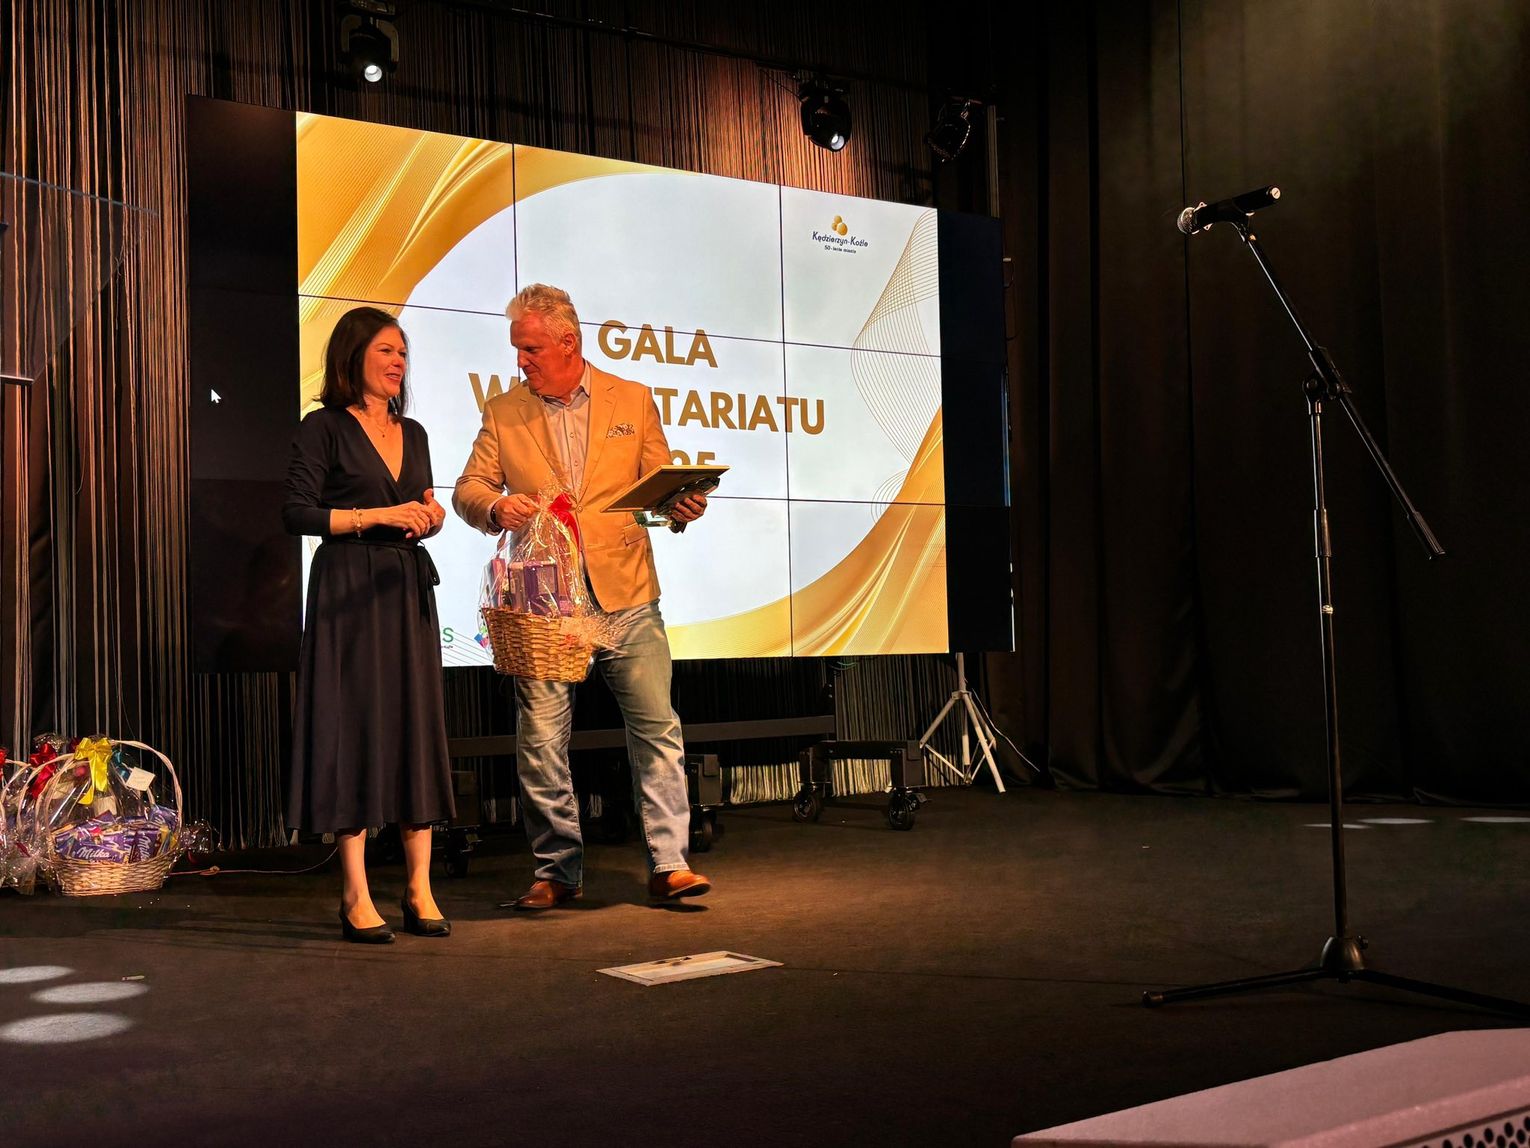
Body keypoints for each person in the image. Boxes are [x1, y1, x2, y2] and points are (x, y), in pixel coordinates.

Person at [453, 283, 712, 910]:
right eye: (518, 350)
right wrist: (495, 507)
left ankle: (670, 864)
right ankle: (556, 869)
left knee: (656, 727)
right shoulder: (504, 410)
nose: (521, 361)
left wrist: (679, 505)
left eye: (531, 349)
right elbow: (468, 488)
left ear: (568, 342)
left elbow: (656, 490)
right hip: (546, 603)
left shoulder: (633, 398)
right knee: (541, 739)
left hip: (627, 591)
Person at [283, 306, 455, 943]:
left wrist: (429, 516)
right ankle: (355, 892)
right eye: (386, 350)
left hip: (404, 589)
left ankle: (419, 887)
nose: (397, 362)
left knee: (414, 722)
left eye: (402, 352)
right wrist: (377, 516)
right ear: (353, 356)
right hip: (348, 590)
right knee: (351, 726)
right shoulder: (323, 427)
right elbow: (297, 514)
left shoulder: (416, 432)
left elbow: (421, 504)